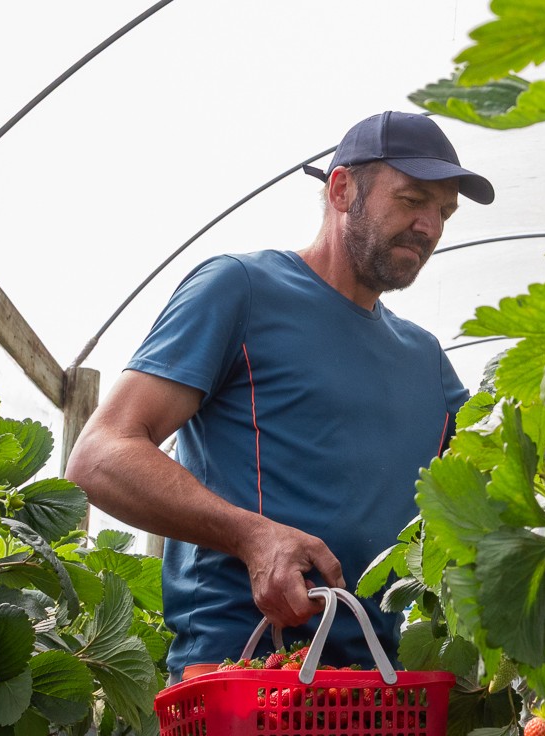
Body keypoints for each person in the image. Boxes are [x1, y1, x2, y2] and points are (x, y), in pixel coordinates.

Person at [65, 111, 492, 679]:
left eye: (444, 212)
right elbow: (100, 456)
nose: (430, 226)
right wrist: (253, 537)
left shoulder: (428, 362)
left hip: (375, 697)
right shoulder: (241, 290)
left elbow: (493, 490)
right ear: (342, 189)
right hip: (239, 674)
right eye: (412, 199)